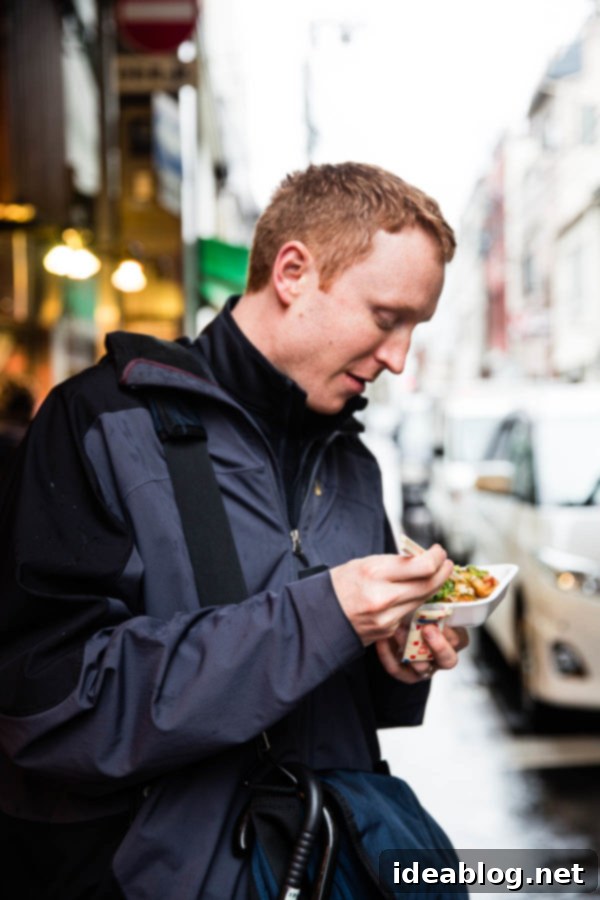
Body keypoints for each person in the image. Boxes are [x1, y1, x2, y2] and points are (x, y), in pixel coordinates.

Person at [0, 162, 466, 899]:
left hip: (321, 868)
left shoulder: (352, 465)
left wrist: (398, 658)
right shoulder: (97, 424)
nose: (400, 359)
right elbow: (48, 713)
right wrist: (326, 613)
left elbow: (345, 709)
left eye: (415, 328)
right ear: (292, 272)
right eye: (386, 318)